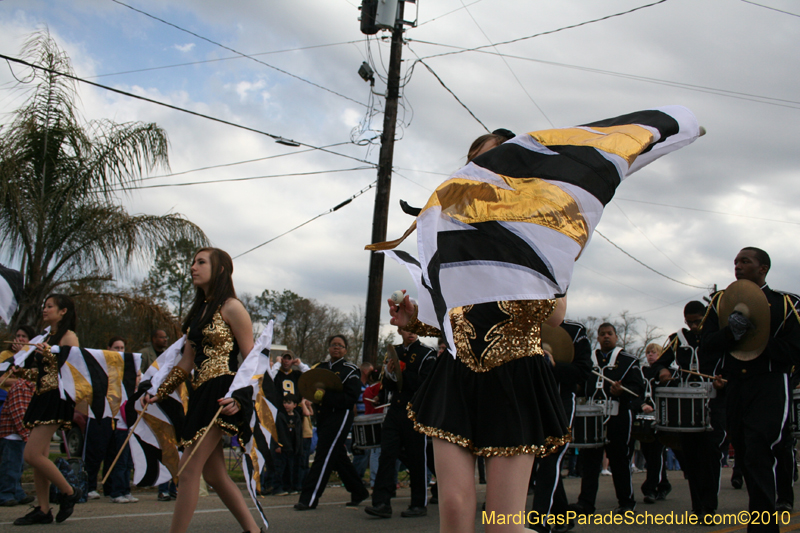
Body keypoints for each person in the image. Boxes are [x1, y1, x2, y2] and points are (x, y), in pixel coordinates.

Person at [387, 132, 570, 533]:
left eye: (493, 160)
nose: (480, 170)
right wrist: (413, 323)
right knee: (453, 510)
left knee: (503, 526)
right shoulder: (449, 228)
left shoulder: (543, 226)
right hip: (456, 373)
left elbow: (555, 315)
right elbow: (451, 320)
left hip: (514, 372)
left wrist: (516, 262)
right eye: (473, 162)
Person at [145, 247, 263, 533]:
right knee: (214, 474)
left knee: (187, 472)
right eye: (193, 262)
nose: (193, 267)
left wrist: (240, 397)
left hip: (222, 391)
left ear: (220, 269)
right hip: (200, 393)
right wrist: (160, 391)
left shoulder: (232, 307)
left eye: (200, 262)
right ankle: (254, 530)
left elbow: (252, 359)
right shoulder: (199, 313)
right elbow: (186, 362)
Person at [700, 247, 800, 533]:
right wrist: (730, 333)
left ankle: (763, 526)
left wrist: (755, 337)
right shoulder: (721, 302)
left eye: (746, 261)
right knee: (744, 453)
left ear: (763, 268)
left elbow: (795, 350)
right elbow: (706, 345)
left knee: (759, 450)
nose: (738, 266)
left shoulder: (786, 303)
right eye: (735, 262)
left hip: (769, 385)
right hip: (735, 387)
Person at [652, 301, 725, 520]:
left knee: (711, 453)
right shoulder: (678, 339)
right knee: (692, 457)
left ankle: (710, 506)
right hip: (687, 405)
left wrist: (723, 381)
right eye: (690, 322)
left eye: (698, 322)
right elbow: (658, 364)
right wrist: (663, 370)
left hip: (713, 400)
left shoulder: (717, 337)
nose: (694, 326)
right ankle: (698, 507)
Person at [13, 295, 82, 525]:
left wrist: (51, 358)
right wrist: (20, 370)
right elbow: (40, 373)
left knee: (30, 454)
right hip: (41, 395)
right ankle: (43, 509)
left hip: (57, 398)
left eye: (49, 306)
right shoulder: (45, 336)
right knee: (40, 456)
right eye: (45, 305)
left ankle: (69, 491)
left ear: (63, 311)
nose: (45, 309)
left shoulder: (68, 337)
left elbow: (73, 371)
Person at [568, 323, 646, 517]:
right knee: (590, 462)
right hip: (593, 418)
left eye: (609, 334)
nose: (606, 337)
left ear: (616, 337)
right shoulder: (588, 361)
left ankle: (626, 502)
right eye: (602, 334)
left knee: (620, 460)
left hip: (618, 416)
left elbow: (638, 390)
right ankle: (585, 504)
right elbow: (580, 385)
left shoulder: (628, 361)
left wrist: (623, 391)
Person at [365, 327, 436, 519]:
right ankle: (381, 502)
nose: (411, 333)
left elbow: (425, 383)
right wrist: (389, 374)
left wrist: (401, 373)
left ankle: (418, 503)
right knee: (386, 455)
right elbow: (387, 386)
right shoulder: (394, 352)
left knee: (416, 458)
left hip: (415, 411)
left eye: (414, 329)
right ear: (400, 331)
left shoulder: (427, 354)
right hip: (395, 410)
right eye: (406, 329)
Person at [528, 319, 592, 533]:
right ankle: (563, 516)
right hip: (531, 402)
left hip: (560, 400)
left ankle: (539, 524)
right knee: (541, 460)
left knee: (550, 457)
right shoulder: (525, 326)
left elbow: (583, 371)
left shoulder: (575, 331)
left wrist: (555, 366)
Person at [294, 335, 370, 511]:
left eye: (340, 345)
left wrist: (325, 396)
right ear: (328, 348)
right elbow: (310, 389)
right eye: (333, 345)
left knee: (324, 455)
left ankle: (309, 498)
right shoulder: (320, 368)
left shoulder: (351, 370)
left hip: (340, 416)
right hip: (323, 416)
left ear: (346, 349)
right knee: (337, 456)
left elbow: (350, 398)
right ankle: (358, 491)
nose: (336, 348)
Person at [0, 326, 37, 507]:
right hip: (11, 427)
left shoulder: (31, 360)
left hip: (21, 426)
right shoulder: (6, 358)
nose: (20, 339)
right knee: (10, 464)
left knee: (17, 464)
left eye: (24, 336)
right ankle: (5, 493)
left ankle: (17, 491)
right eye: (18, 335)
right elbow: (2, 378)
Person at [634, 343, 671, 504]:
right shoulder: (642, 372)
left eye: (654, 352)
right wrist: (642, 404)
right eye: (648, 352)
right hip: (644, 418)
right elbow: (636, 392)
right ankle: (663, 484)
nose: (650, 355)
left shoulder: (665, 372)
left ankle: (650, 488)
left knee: (657, 452)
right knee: (648, 452)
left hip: (660, 417)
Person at [273, 394, 303, 496]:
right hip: (283, 447)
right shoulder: (281, 416)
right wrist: (278, 445)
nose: (286, 405)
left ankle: (291, 486)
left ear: (295, 405)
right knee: (281, 468)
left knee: (293, 468)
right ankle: (277, 487)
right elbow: (278, 432)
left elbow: (298, 432)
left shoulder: (297, 417)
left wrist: (298, 446)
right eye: (285, 402)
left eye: (289, 403)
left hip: (294, 447)